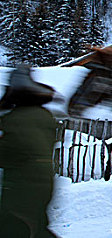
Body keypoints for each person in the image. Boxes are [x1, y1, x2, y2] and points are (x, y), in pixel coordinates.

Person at [0, 65, 58, 237]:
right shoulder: (45, 115)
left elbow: (8, 154)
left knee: (16, 228)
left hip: (21, 187)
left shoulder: (15, 119)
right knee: (37, 227)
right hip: (45, 183)